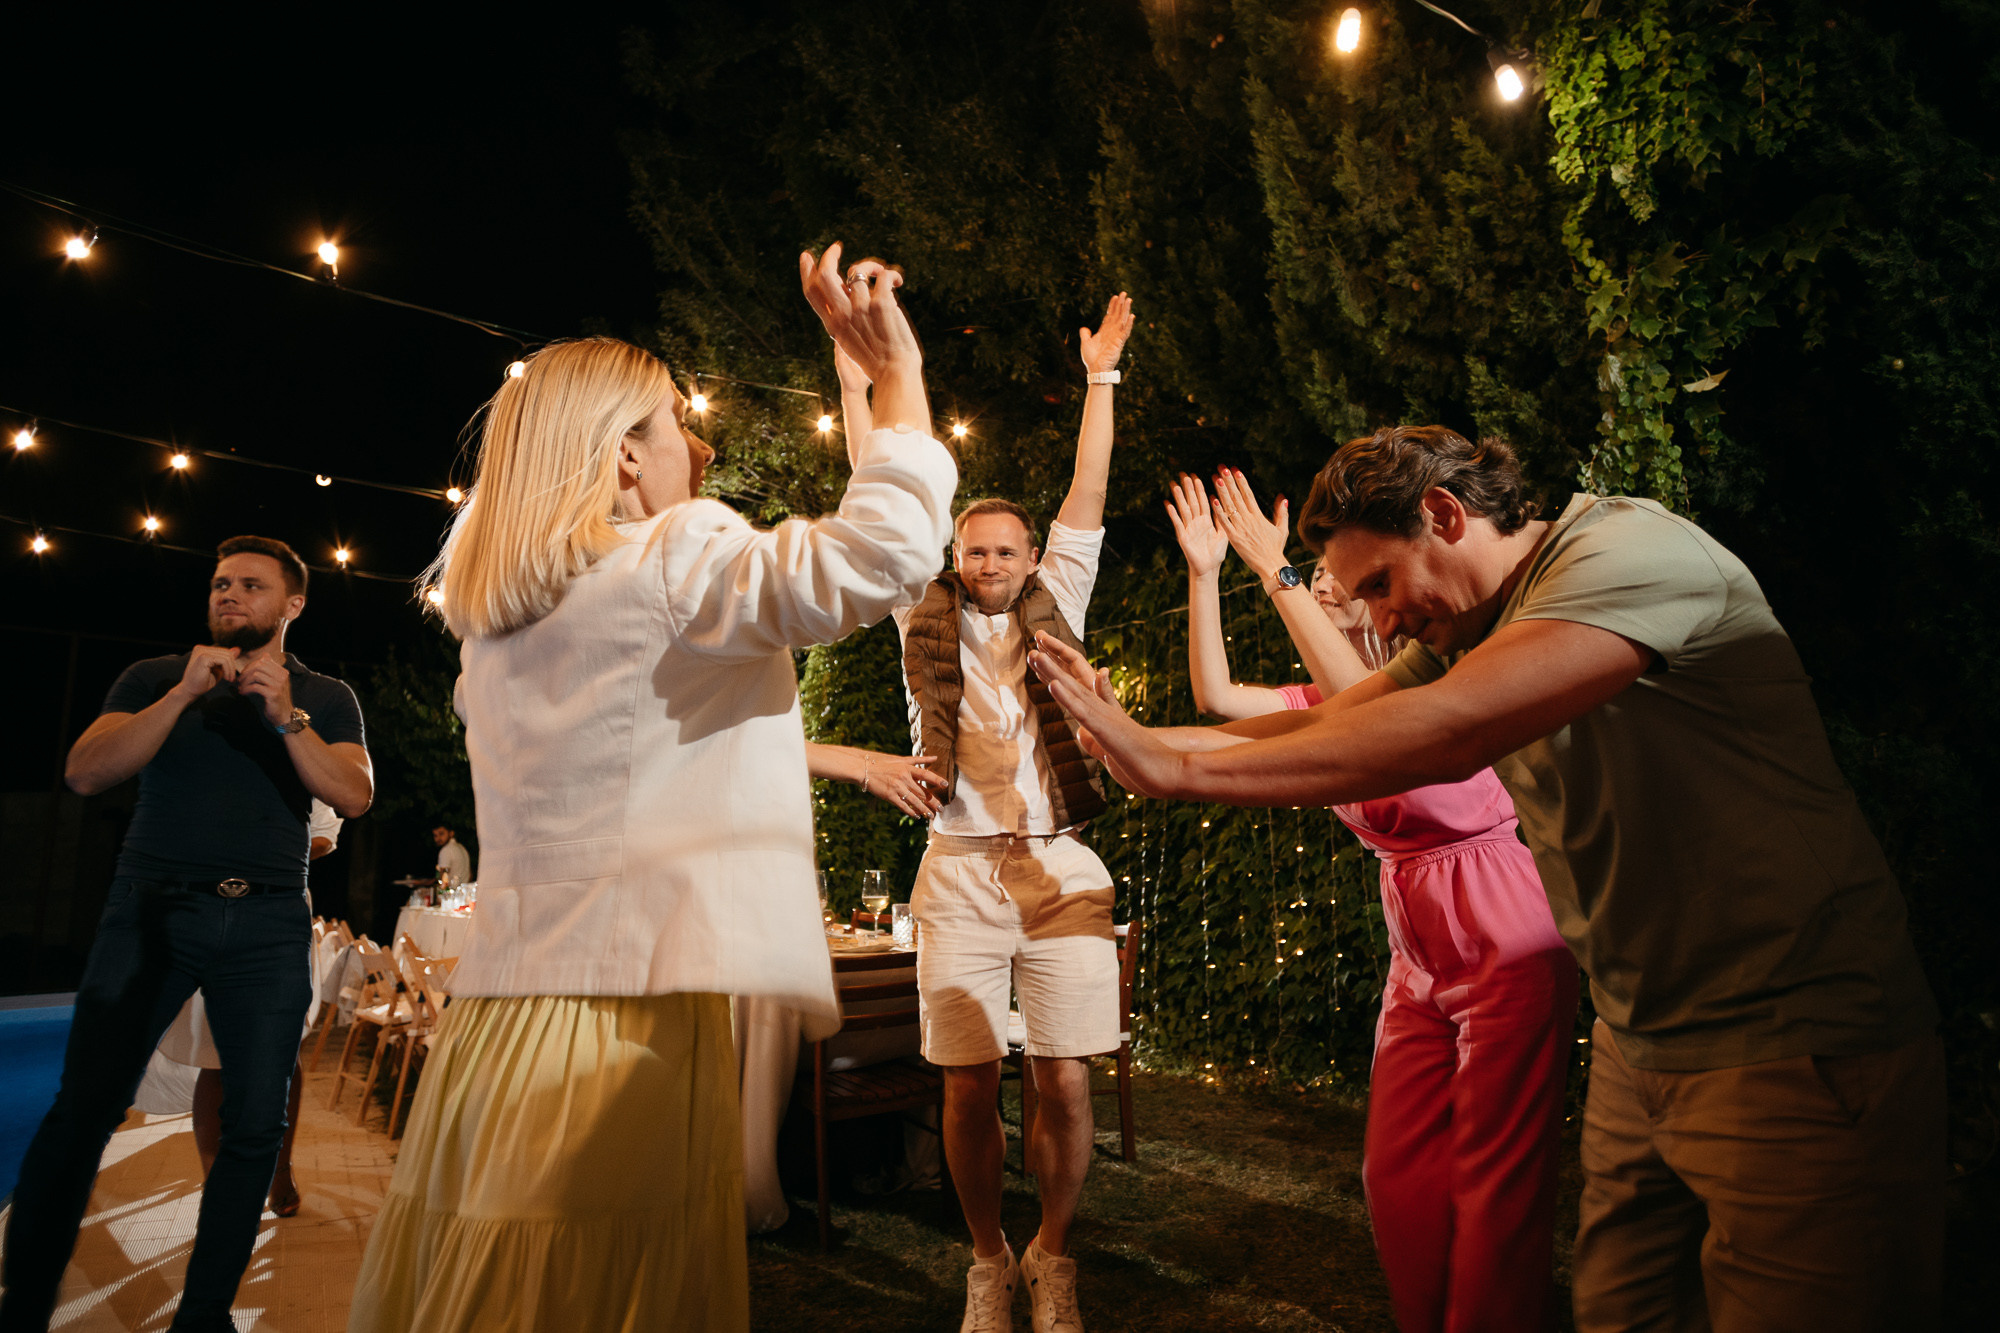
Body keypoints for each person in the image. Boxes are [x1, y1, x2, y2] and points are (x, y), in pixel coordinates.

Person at [1030, 426, 1944, 1331]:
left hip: (1792, 1035)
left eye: (1382, 584)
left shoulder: (1625, 552)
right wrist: (1132, 739)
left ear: (1444, 512)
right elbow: (1339, 723)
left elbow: (1446, 733)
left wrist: (1176, 769)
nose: (1381, 622)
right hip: (1644, 1041)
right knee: (1621, 1310)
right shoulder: (1480, 628)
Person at [345, 245, 957, 1333]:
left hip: (500, 1021)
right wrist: (896, 382)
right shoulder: (670, 558)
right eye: (679, 425)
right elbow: (882, 558)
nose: (703, 446)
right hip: (618, 1025)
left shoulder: (493, 634)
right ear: (626, 457)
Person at [1169, 469, 1575, 1331]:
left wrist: (1272, 572)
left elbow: (1375, 720)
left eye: (1344, 581)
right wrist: (1206, 577)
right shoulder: (1328, 700)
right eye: (1317, 579)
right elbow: (1213, 705)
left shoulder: (1442, 676)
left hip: (1500, 914)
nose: (1322, 585)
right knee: (1394, 1173)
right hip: (1416, 938)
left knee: (1495, 1178)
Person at [840, 293, 1133, 1333]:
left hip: (1062, 870)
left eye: (1007, 550)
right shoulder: (913, 611)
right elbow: (870, 487)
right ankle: (986, 1258)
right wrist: (853, 374)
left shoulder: (1062, 595)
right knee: (965, 1089)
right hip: (957, 870)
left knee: (1063, 1080)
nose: (992, 564)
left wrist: (1099, 376)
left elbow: (1087, 488)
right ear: (955, 559)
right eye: (976, 551)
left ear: (1027, 560)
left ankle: (1053, 1255)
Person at [2, 536, 373, 1333]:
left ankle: (202, 1315)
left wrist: (286, 716)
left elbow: (352, 791)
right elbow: (86, 771)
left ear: (293, 604)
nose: (228, 594)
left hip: (271, 917)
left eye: (249, 584)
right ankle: (24, 1305)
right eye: (219, 583)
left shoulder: (325, 695)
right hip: (150, 908)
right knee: (84, 1111)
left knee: (254, 1124)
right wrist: (177, 697)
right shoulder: (151, 677)